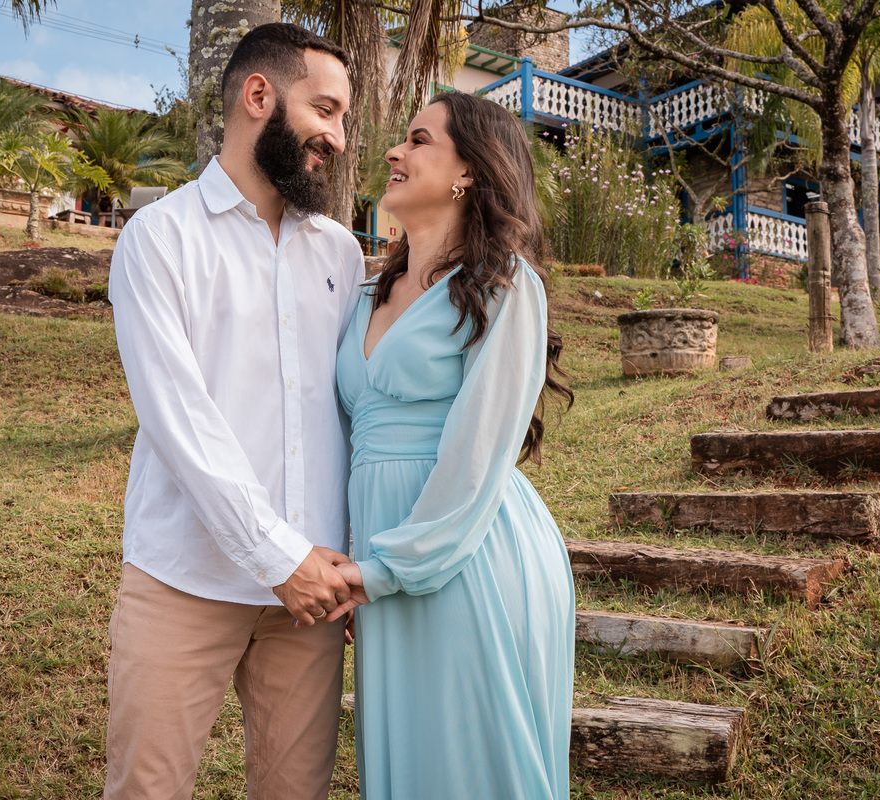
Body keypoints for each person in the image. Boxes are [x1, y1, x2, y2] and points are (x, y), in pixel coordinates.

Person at [104, 23, 364, 800]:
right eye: (325, 110)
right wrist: (276, 554)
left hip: (310, 604)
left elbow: (351, 415)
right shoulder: (159, 238)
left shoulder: (341, 255)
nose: (339, 138)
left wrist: (338, 561)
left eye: (344, 119)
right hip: (182, 580)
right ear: (260, 96)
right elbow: (179, 420)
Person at [328, 91, 576, 799]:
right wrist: (359, 559)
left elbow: (478, 450)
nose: (394, 153)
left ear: (469, 170)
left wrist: (387, 569)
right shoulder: (366, 292)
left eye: (417, 140)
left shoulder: (504, 288)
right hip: (381, 564)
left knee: (478, 770)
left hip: (469, 555)